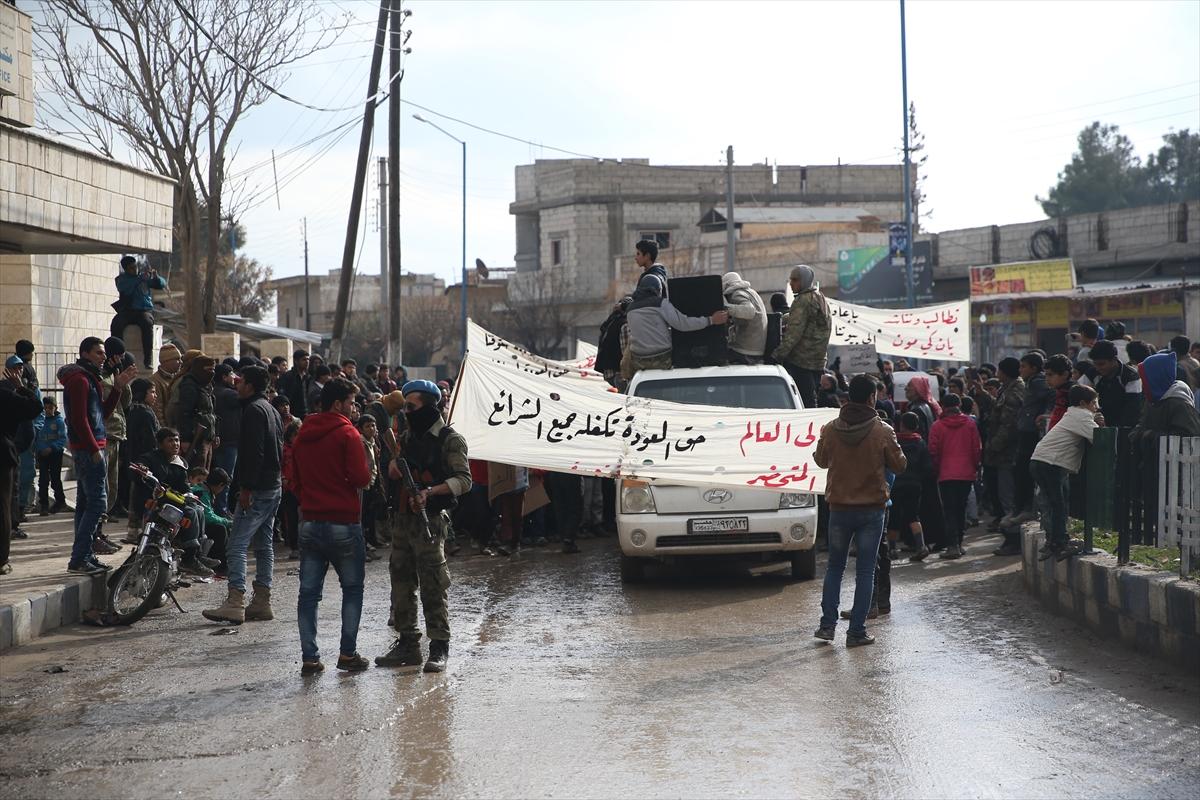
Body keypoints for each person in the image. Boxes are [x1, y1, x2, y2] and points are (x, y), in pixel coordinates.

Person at [376, 380, 471, 673]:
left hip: (429, 519)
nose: (407, 412)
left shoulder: (449, 439)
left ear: (429, 406)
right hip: (403, 519)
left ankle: (439, 645)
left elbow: (464, 480)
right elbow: (393, 470)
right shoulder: (405, 437)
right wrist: (392, 469)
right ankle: (408, 643)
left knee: (433, 583)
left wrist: (431, 491)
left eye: (412, 406)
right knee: (401, 581)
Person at [812, 375, 906, 647]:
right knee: (866, 572)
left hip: (839, 508)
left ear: (848, 397)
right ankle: (856, 632)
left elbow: (820, 461)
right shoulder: (883, 431)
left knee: (835, 568)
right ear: (871, 398)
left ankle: (827, 626)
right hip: (871, 511)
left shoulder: (830, 429)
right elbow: (900, 466)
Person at [290, 377, 373, 674]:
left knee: (308, 594)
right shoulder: (347, 435)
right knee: (352, 589)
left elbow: (294, 480)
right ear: (338, 404)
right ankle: (347, 654)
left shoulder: (302, 435)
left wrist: (311, 499)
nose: (354, 409)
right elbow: (362, 478)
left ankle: (310, 658)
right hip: (343, 524)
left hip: (310, 523)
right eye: (351, 403)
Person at [203, 366, 283, 625]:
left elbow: (253, 454)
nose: (236, 385)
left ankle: (235, 601)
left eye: (240, 381)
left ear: (249, 385)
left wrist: (246, 489)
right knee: (263, 546)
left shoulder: (253, 411)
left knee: (236, 544)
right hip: (272, 486)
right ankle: (262, 602)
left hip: (258, 489)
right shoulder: (269, 408)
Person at [58, 337, 136, 575]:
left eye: (103, 353)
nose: (104, 357)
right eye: (99, 353)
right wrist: (93, 450)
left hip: (95, 445)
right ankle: (79, 557)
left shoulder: (91, 378)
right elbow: (79, 420)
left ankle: (85, 555)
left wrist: (119, 387)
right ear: (84, 353)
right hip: (88, 450)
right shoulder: (80, 380)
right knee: (98, 503)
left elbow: (100, 414)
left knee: (85, 503)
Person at [1029, 385, 1102, 559]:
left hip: (1040, 460)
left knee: (1052, 503)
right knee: (1058, 504)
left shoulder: (1071, 414)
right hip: (1051, 463)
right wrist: (1100, 424)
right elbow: (1099, 438)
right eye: (1094, 403)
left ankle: (1053, 541)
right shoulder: (1081, 416)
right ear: (1084, 403)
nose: (1096, 407)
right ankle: (1061, 542)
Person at [130, 428, 214, 576]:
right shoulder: (150, 458)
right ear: (160, 444)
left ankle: (196, 555)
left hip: (172, 502)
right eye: (170, 440)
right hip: (154, 504)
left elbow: (184, 487)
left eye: (177, 440)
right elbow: (140, 467)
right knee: (190, 513)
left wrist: (190, 494)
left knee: (199, 510)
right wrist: (143, 469)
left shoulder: (179, 464)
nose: (175, 444)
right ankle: (189, 560)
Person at [621, 277, 728, 380]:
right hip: (662, 358)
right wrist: (711, 320)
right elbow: (682, 324)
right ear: (658, 289)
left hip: (639, 360)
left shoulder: (630, 309)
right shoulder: (660, 303)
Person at [929, 393, 982, 559]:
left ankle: (952, 546)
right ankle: (958, 544)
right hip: (966, 473)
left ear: (943, 406)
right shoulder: (970, 424)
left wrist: (937, 469)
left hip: (946, 474)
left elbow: (933, 451)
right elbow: (976, 448)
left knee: (950, 510)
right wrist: (974, 467)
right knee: (960, 509)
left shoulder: (937, 426)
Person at [1, 364, 43, 574]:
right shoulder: (6, 395)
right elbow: (36, 407)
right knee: (3, 508)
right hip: (4, 453)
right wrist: (22, 387)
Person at [772, 264, 832, 409]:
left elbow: (794, 334)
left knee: (803, 403)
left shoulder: (802, 301)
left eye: (795, 280)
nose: (791, 283)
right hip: (818, 361)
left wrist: (776, 355)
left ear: (804, 280)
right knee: (811, 401)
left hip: (801, 362)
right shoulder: (819, 297)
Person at [985, 357, 1025, 556]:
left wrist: (993, 446)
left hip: (1008, 454)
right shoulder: (1007, 388)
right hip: (1004, 454)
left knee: (1008, 498)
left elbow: (1008, 425)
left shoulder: (1014, 391)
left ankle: (1013, 539)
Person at [1012, 352, 1054, 522]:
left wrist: (1046, 415)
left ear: (1034, 368)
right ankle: (1022, 508)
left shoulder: (1038, 382)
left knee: (1025, 471)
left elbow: (1051, 395)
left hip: (1031, 433)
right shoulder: (1031, 382)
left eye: (1024, 366)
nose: (1020, 370)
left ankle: (1027, 508)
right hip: (1026, 430)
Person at [888, 412, 932, 561]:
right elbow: (927, 466)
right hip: (914, 485)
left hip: (896, 483)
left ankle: (892, 549)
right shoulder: (920, 443)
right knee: (913, 516)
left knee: (893, 516)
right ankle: (921, 546)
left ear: (901, 425)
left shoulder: (895, 442)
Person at [110, 255, 166, 369]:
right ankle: (117, 358)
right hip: (128, 311)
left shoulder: (143, 278)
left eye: (135, 266)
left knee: (147, 323)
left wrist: (156, 278)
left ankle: (148, 359)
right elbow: (125, 288)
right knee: (116, 324)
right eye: (131, 268)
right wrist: (140, 279)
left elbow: (161, 284)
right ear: (126, 269)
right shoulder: (122, 279)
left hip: (143, 310)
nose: (134, 269)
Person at [1134, 352, 1200, 437]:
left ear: (1156, 378)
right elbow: (1139, 428)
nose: (1143, 386)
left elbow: (1186, 438)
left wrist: (1149, 435)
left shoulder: (1179, 405)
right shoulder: (1152, 401)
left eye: (1145, 380)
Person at [1087, 340, 1144, 429]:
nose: (1098, 368)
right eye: (1095, 364)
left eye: (1101, 364)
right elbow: (1076, 395)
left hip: (1124, 426)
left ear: (1114, 359)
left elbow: (1133, 409)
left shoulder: (1131, 376)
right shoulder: (1092, 372)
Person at [189, 466, 232, 576]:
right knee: (220, 529)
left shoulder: (204, 490)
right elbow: (208, 517)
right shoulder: (202, 492)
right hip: (193, 525)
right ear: (220, 485)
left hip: (195, 523)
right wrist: (228, 522)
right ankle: (222, 568)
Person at [212, 364, 241, 515]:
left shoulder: (214, 392)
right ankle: (221, 510)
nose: (234, 377)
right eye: (231, 374)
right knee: (226, 479)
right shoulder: (230, 395)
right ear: (224, 377)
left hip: (218, 441)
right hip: (229, 443)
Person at [722, 272, 768, 365]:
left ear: (726, 285)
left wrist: (726, 308)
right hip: (757, 348)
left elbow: (749, 311)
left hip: (745, 350)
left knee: (717, 357)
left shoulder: (736, 294)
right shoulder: (752, 292)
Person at [35, 396, 68, 516]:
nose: (48, 410)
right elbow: (37, 438)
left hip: (55, 454)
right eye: (45, 408)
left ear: (55, 408)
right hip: (42, 455)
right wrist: (40, 449)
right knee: (43, 480)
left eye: (50, 408)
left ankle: (60, 501)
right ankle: (44, 505)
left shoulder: (59, 421)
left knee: (55, 478)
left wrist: (52, 448)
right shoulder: (40, 421)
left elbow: (62, 439)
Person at [280, 421, 301, 560]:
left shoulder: (306, 449)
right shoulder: (284, 450)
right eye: (295, 435)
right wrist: (283, 479)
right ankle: (295, 546)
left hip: (303, 487)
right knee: (291, 518)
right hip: (289, 488)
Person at [148, 343, 182, 424]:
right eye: (177, 359)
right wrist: (165, 431)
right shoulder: (155, 381)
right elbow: (157, 409)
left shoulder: (177, 378)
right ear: (167, 361)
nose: (181, 362)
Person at [1043, 354, 1075, 431]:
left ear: (1065, 374)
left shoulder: (1073, 392)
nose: (1047, 379)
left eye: (1050, 375)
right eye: (1046, 375)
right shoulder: (1059, 390)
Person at [903, 375, 941, 440]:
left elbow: (919, 435)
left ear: (918, 389)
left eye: (909, 385)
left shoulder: (917, 409)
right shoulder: (927, 405)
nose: (905, 388)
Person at [276, 349, 310, 419]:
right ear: (296, 361)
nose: (307, 362)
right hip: (293, 415)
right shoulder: (288, 377)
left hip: (306, 415)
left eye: (308, 359)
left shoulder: (308, 377)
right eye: (304, 359)